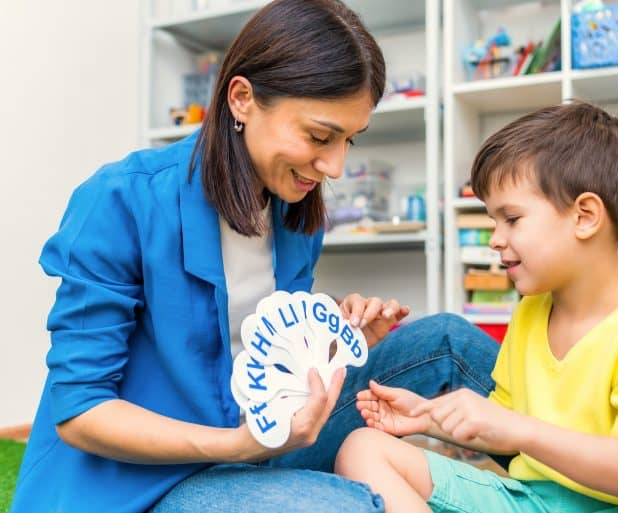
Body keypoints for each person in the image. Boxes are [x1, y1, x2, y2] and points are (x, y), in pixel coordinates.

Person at [9, 1, 500, 512]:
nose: (335, 165)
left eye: (349, 140)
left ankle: (568, 473)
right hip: (144, 481)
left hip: (262, 440)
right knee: (346, 505)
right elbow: (80, 411)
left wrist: (338, 342)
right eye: (319, 136)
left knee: (446, 341)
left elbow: (265, 345)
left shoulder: (291, 210)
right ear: (242, 98)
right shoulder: (121, 200)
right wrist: (240, 445)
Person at [335, 102, 618, 513]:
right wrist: (428, 419)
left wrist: (520, 431)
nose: (495, 238)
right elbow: (499, 425)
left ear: (584, 216)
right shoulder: (531, 312)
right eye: (493, 221)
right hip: (534, 501)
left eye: (511, 219)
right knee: (362, 448)